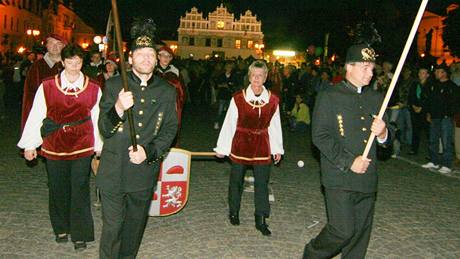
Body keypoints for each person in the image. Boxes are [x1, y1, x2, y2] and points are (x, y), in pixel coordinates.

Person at [96, 18, 178, 258]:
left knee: (134, 228)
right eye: (140, 55)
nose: (146, 59)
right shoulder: (113, 85)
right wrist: (119, 108)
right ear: (130, 59)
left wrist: (149, 151)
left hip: (142, 172)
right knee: (112, 227)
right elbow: (104, 128)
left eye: (150, 55)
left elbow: (170, 128)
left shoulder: (166, 90)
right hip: (113, 170)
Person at [303, 44, 391, 259]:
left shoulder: (377, 99)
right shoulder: (329, 95)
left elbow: (388, 144)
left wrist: (383, 134)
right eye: (365, 68)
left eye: (372, 68)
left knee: (359, 237)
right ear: (349, 67)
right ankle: (312, 254)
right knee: (342, 230)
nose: (371, 73)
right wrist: (349, 161)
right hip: (339, 176)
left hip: (367, 178)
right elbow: (320, 136)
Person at [17, 44, 102, 251]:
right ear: (62, 62)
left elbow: (97, 117)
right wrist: (30, 144)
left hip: (82, 144)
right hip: (54, 143)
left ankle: (80, 233)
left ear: (82, 63)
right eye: (70, 61)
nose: (74, 66)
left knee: (80, 188)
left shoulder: (93, 88)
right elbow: (37, 115)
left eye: (78, 61)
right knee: (57, 188)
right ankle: (61, 228)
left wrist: (99, 146)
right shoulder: (47, 86)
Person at [214, 60, 284, 236]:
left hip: (262, 144)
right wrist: (222, 147)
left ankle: (260, 218)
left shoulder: (273, 100)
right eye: (254, 75)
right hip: (241, 143)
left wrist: (276, 149)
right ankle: (233, 211)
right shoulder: (238, 98)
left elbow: (275, 126)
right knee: (236, 181)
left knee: (262, 183)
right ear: (249, 76)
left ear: (266, 77)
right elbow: (229, 123)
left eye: (260, 75)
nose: (257, 79)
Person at [21, 34, 66, 131]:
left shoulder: (70, 65)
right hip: (44, 114)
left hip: (66, 115)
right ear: (46, 45)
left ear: (63, 46)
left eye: (58, 44)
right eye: (51, 43)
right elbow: (30, 93)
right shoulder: (38, 66)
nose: (54, 47)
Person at [422, 63, 460, 174]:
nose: (435, 73)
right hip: (435, 117)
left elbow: (455, 103)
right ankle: (434, 161)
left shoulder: (452, 86)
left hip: (445, 118)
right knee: (433, 140)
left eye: (438, 71)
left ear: (444, 73)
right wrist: (429, 112)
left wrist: (448, 114)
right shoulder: (434, 85)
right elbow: (430, 100)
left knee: (446, 140)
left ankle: (446, 164)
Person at [155, 46, 185, 145]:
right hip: (154, 106)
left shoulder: (175, 72)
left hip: (170, 106)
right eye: (163, 55)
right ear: (158, 57)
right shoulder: (152, 71)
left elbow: (181, 92)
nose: (166, 58)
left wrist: (177, 105)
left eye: (169, 56)